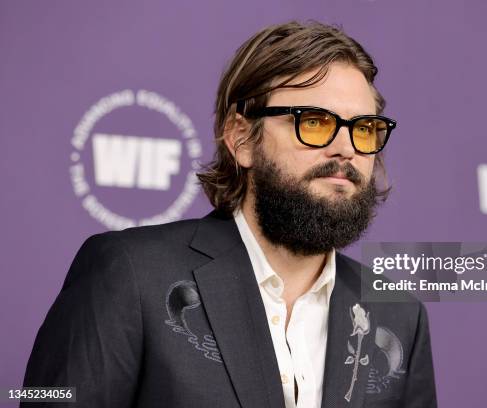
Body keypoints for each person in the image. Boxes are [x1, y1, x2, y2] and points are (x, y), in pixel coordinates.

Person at [22, 21, 437, 408]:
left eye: (363, 128)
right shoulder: (130, 272)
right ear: (242, 139)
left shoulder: (399, 314)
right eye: (314, 122)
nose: (346, 148)